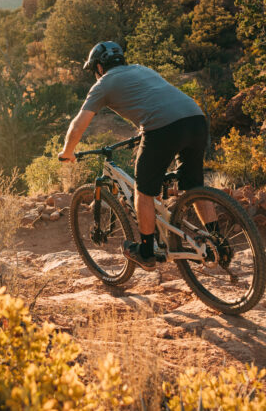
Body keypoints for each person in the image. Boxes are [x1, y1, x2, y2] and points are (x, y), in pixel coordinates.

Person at [58, 41, 217, 271]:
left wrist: (67, 151)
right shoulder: (141, 69)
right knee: (192, 184)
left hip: (163, 128)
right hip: (195, 118)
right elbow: (157, 100)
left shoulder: (103, 84)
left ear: (100, 67)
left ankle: (145, 251)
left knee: (143, 190)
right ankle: (217, 241)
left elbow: (79, 123)